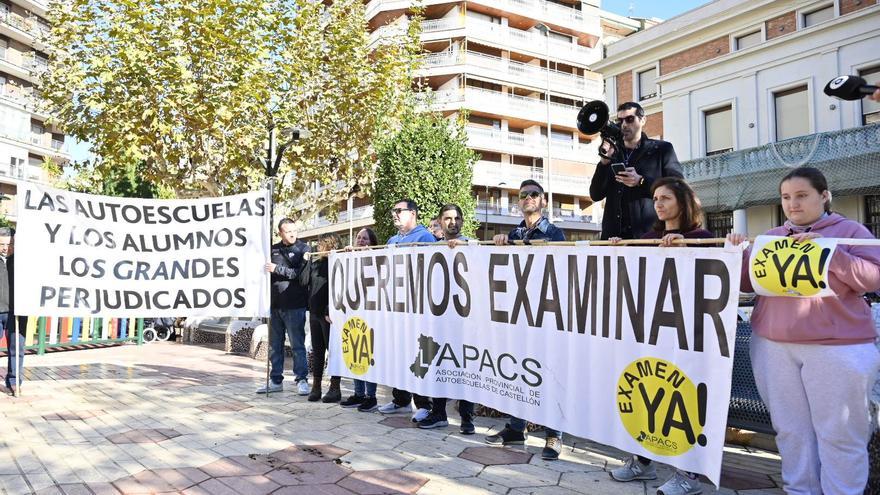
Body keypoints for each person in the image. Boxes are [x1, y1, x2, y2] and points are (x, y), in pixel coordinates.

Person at [727, 167, 880, 495]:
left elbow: (873, 278)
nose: (792, 204)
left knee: (839, 433)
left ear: (824, 196)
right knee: (791, 432)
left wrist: (831, 253)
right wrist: (736, 255)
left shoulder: (849, 232)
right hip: (773, 347)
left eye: (801, 196)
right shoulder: (770, 237)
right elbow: (745, 284)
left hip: (837, 349)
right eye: (786, 197)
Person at [610, 177, 711, 495]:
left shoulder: (703, 238)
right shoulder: (648, 237)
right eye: (655, 198)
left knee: (683, 401)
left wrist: (687, 251)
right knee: (646, 394)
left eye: (665, 197)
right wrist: (617, 250)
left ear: (683, 201)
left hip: (689, 334)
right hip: (651, 331)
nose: (659, 203)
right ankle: (642, 462)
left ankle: (689, 475)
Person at [486, 179, 565, 460]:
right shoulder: (513, 233)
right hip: (519, 314)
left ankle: (554, 436)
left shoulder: (555, 233)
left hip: (546, 313)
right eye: (524, 195)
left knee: (551, 374)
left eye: (534, 194)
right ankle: (516, 429)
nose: (529, 198)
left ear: (543, 201)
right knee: (519, 371)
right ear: (518, 202)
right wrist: (500, 243)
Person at [416, 204, 476, 435]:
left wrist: (465, 247)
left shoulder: (472, 244)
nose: (452, 222)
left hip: (465, 322)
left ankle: (467, 419)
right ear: (440, 222)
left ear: (462, 221)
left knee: (466, 370)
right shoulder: (431, 248)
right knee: (440, 364)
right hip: (440, 320)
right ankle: (439, 413)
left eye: (456, 218)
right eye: (447, 218)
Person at [377, 199, 437, 422]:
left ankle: (423, 403)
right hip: (396, 309)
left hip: (417, 309)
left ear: (412, 213)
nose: (394, 214)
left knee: (417, 355)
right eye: (393, 210)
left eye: (398, 211)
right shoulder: (393, 240)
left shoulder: (425, 237)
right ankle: (400, 399)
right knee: (398, 355)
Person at [589, 101, 683, 240]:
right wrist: (604, 162)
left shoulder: (662, 149)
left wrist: (641, 181)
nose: (624, 124)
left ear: (643, 120)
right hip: (613, 240)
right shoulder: (612, 153)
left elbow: (678, 187)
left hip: (648, 237)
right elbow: (595, 194)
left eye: (630, 119)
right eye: (620, 120)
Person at [257, 218, 311, 396]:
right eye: (288, 231)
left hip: (295, 305)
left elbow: (301, 275)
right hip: (274, 306)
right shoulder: (271, 249)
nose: (292, 234)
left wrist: (277, 269)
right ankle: (275, 380)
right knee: (275, 346)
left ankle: (301, 380)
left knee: (297, 345)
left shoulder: (304, 249)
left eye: (294, 230)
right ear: (280, 233)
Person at [340, 227, 382, 412]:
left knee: (368, 354)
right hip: (354, 313)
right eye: (358, 238)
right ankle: (358, 393)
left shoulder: (378, 258)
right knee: (355, 353)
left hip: (371, 314)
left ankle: (370, 396)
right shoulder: (351, 258)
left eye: (365, 238)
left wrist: (369, 253)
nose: (361, 241)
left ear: (372, 242)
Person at [302, 233, 343, 403]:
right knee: (318, 351)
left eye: (321, 244)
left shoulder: (337, 262)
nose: (318, 247)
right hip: (314, 313)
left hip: (329, 314)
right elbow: (303, 282)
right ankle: (316, 386)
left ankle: (335, 387)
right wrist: (306, 262)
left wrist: (330, 309)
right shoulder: (315, 262)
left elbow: (338, 288)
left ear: (330, 245)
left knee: (332, 351)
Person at [0, 228, 23, 396]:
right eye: (1, 244)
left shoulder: (24, 261)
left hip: (18, 311)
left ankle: (14, 381)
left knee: (16, 348)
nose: (6, 248)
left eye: (10, 244)